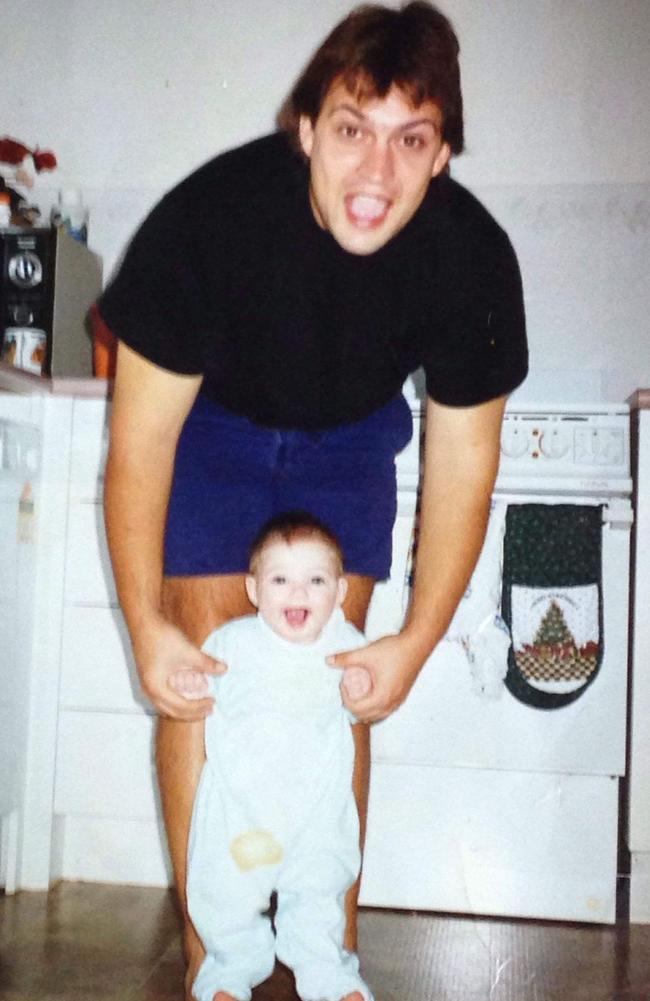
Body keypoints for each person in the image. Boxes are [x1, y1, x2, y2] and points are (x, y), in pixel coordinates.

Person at [99, 2, 528, 997]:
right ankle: (217, 961)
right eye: (350, 130)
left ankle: (324, 960)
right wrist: (146, 624)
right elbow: (140, 442)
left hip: (347, 443)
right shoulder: (206, 220)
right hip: (216, 430)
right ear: (305, 129)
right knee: (204, 684)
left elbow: (463, 465)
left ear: (443, 154)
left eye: (408, 140)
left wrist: (414, 642)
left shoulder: (470, 258)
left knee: (336, 688)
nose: (374, 176)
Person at [173, 512, 373, 1001]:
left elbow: (363, 702)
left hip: (316, 815)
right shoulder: (233, 643)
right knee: (227, 898)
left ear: (341, 593)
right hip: (244, 814)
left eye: (316, 580)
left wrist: (361, 686)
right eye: (280, 579)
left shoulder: (346, 646)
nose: (297, 593)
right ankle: (225, 974)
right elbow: (201, 683)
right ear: (254, 588)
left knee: (321, 899)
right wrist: (190, 679)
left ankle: (331, 977)